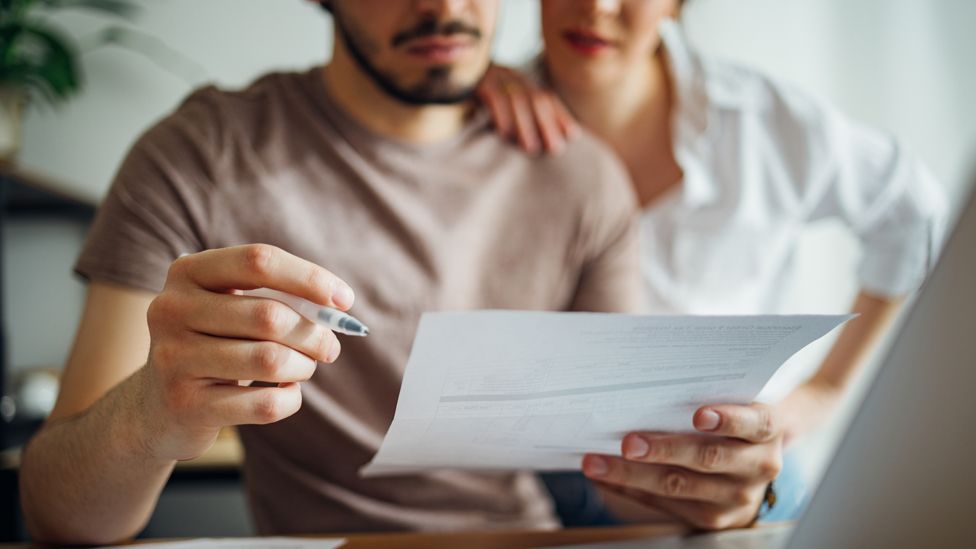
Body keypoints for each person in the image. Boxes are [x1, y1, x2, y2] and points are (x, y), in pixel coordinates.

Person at [18, 0, 647, 543]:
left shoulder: (578, 175)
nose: (444, 6)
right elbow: (58, 518)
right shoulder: (199, 156)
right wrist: (153, 413)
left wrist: (713, 490)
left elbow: (628, 469)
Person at [478, 0, 949, 529]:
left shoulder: (764, 124)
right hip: (545, 481)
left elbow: (914, 212)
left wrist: (826, 392)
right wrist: (462, 83)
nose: (596, 6)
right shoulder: (472, 115)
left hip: (735, 469)